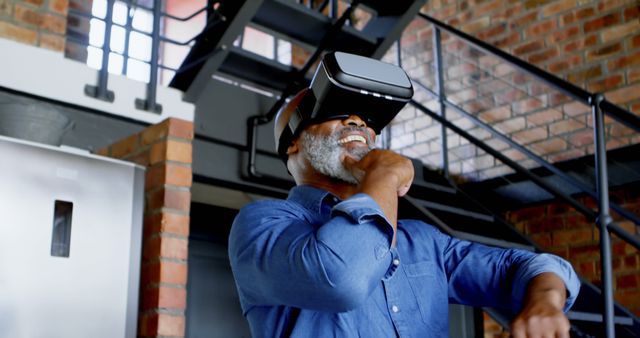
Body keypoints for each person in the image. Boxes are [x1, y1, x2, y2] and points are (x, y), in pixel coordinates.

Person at [228, 88, 580, 337]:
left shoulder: (425, 241)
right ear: (292, 141)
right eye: (336, 111)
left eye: (366, 119)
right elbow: (341, 279)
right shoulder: (262, 224)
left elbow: (533, 267)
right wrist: (384, 175)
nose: (358, 122)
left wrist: (545, 302)